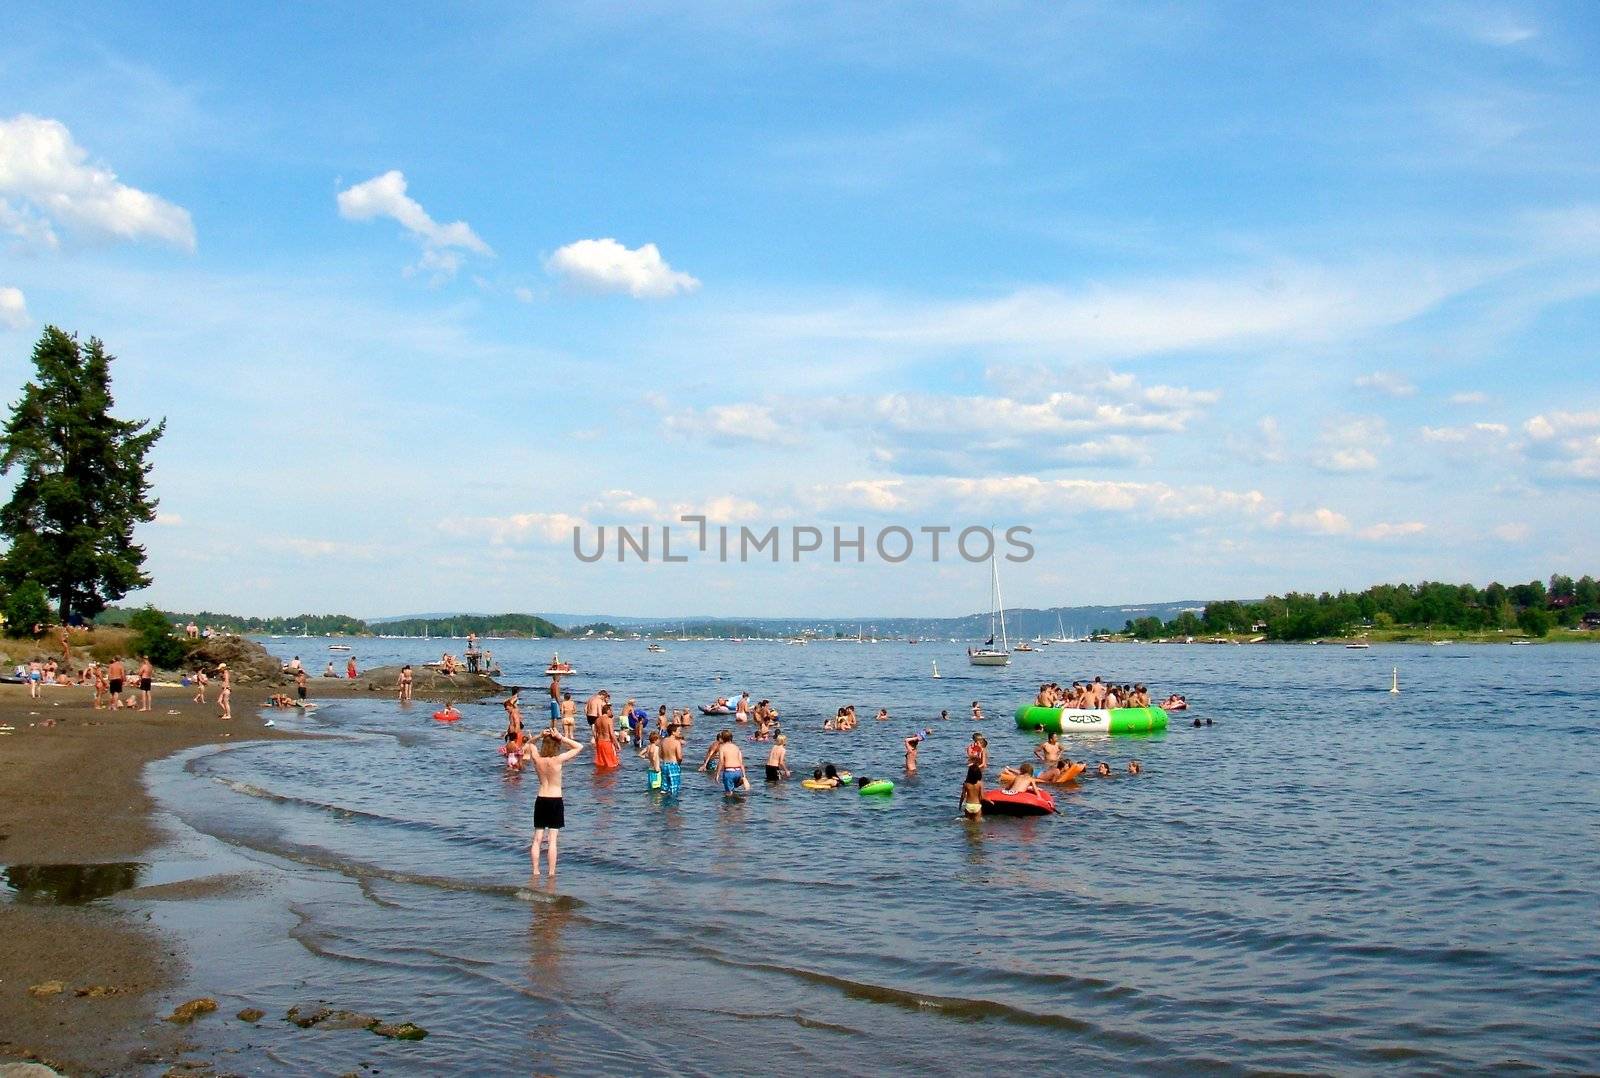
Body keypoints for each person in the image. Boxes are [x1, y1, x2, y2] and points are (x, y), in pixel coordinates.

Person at [530, 730, 587, 876]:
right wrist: (561, 737)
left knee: (537, 838)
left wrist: (539, 736)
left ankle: (536, 871)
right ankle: (551, 872)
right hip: (555, 799)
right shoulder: (558, 760)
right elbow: (579, 747)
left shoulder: (537, 759)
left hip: (541, 798)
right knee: (552, 840)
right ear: (556, 746)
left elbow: (528, 744)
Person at [711, 729, 749, 793]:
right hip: (738, 772)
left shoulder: (722, 748)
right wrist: (744, 775)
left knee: (728, 794)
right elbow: (741, 763)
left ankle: (728, 802)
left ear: (722, 738)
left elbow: (721, 762)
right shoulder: (736, 747)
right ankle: (742, 780)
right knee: (735, 785)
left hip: (729, 772)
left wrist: (717, 774)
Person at [661, 724, 685, 795]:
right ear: (673, 732)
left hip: (665, 765)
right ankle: (673, 805)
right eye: (678, 731)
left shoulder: (663, 741)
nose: (680, 733)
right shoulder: (677, 742)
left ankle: (663, 804)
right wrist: (679, 764)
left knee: (664, 788)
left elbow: (660, 755)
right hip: (673, 765)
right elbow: (680, 757)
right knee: (674, 788)